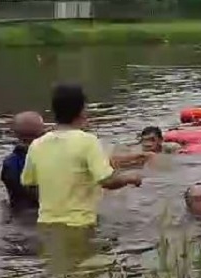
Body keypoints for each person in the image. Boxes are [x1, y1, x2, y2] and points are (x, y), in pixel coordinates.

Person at [21, 84, 143, 229]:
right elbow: (107, 181)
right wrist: (130, 178)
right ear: (81, 111)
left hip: (45, 224)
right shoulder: (88, 141)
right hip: (80, 224)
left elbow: (29, 184)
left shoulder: (37, 144)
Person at [1, 111, 46, 210]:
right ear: (43, 132)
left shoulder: (9, 163)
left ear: (14, 134)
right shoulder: (52, 158)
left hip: (18, 213)